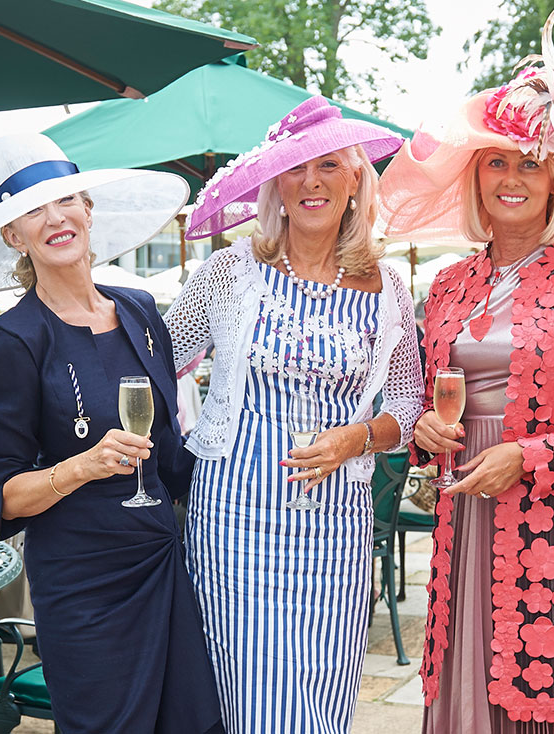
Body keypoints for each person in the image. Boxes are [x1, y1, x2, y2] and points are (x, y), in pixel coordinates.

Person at [378, 0, 554, 732]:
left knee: (549, 688)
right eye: (496, 162)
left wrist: (528, 457)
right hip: (462, 512)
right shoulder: (447, 283)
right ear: (475, 178)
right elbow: (418, 400)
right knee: (466, 685)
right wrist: (424, 434)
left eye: (529, 163)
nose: (512, 177)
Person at [0, 133, 224, 733]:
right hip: (83, 584)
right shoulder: (10, 341)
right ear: (13, 235)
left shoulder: (141, 309)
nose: (54, 218)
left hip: (162, 560)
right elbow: (7, 496)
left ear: (89, 208)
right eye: (31, 210)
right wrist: (82, 466)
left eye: (64, 200)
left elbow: (169, 453)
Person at [165, 95, 424, 734]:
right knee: (257, 700)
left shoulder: (388, 287)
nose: (312, 181)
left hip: (337, 527)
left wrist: (352, 440)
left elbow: (407, 404)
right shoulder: (230, 271)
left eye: (330, 165)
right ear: (274, 185)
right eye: (297, 167)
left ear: (357, 178)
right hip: (234, 516)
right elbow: (153, 359)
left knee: (324, 697)